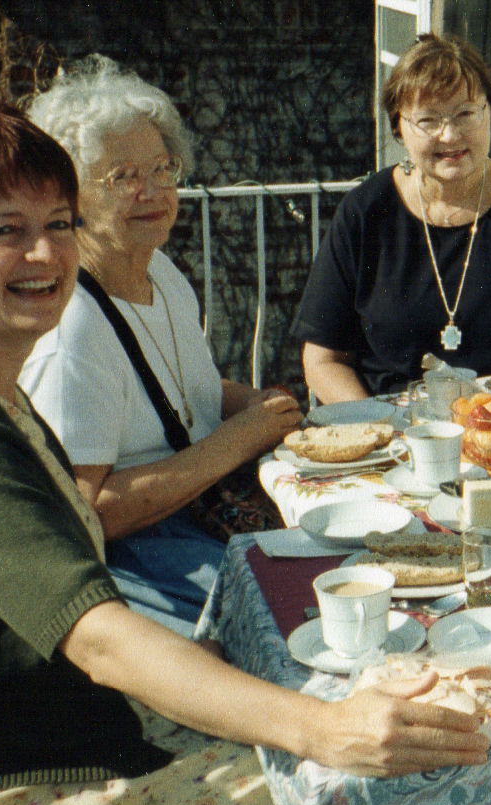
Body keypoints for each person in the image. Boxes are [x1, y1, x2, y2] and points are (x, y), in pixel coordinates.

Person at [0, 104, 489, 805]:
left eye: (60, 224)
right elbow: (103, 644)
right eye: (7, 232)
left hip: (57, 732)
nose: (46, 254)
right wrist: (325, 731)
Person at [20, 56, 301, 636]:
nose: (151, 192)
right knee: (301, 613)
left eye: (162, 168)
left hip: (202, 512)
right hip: (148, 558)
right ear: (68, 196)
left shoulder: (162, 272)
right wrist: (238, 439)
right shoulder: (73, 329)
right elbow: (85, 512)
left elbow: (176, 394)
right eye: (121, 177)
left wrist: (254, 403)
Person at [293, 34, 491, 401]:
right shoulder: (365, 214)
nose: (450, 134)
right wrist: (379, 428)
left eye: (465, 113)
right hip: (398, 436)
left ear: (490, 112)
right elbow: (322, 360)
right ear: (398, 128)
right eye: (428, 120)